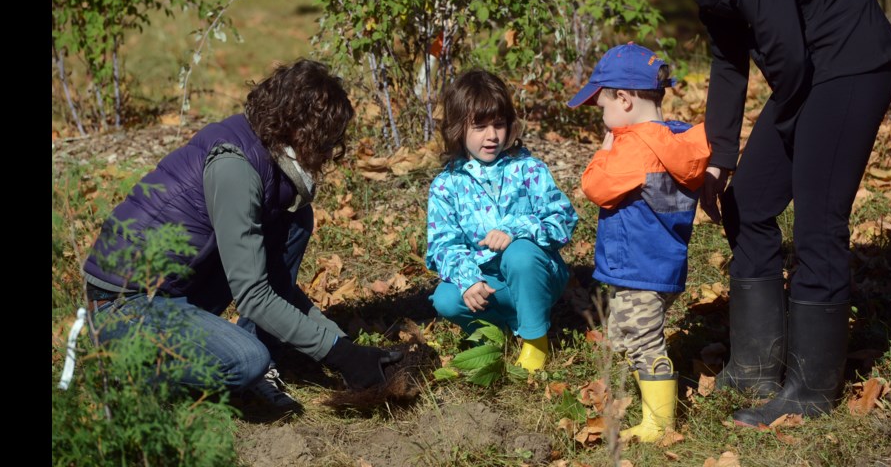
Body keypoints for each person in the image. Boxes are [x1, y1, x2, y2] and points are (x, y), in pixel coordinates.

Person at [575, 0, 891, 427]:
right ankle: (755, 366)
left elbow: (787, 57)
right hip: (807, 70)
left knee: (817, 217)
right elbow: (730, 59)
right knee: (747, 199)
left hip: (850, 67)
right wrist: (719, 161)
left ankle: (811, 389)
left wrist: (792, 139)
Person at [82, 59, 403, 412]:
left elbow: (273, 284)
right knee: (245, 360)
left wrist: (344, 346)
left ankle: (258, 366)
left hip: (176, 288)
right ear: (302, 131)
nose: (328, 155)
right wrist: (340, 355)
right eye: (327, 142)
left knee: (297, 219)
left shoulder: (270, 163)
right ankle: (123, 364)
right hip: (125, 305)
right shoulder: (235, 168)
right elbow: (254, 296)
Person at [568, 42, 711, 442]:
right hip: (662, 260)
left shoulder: (633, 147)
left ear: (625, 100)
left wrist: (605, 147)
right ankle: (651, 408)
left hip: (635, 266)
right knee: (626, 331)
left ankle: (659, 424)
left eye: (603, 108)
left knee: (644, 341)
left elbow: (594, 187)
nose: (604, 118)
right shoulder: (678, 138)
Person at [425, 69, 579, 371]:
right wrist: (468, 279)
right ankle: (498, 330)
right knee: (445, 298)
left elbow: (564, 219)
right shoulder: (446, 185)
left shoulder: (528, 169)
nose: (492, 135)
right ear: (458, 129)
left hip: (536, 274)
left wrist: (516, 230)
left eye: (498, 124)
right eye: (479, 126)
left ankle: (535, 341)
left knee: (519, 255)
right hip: (489, 281)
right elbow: (442, 246)